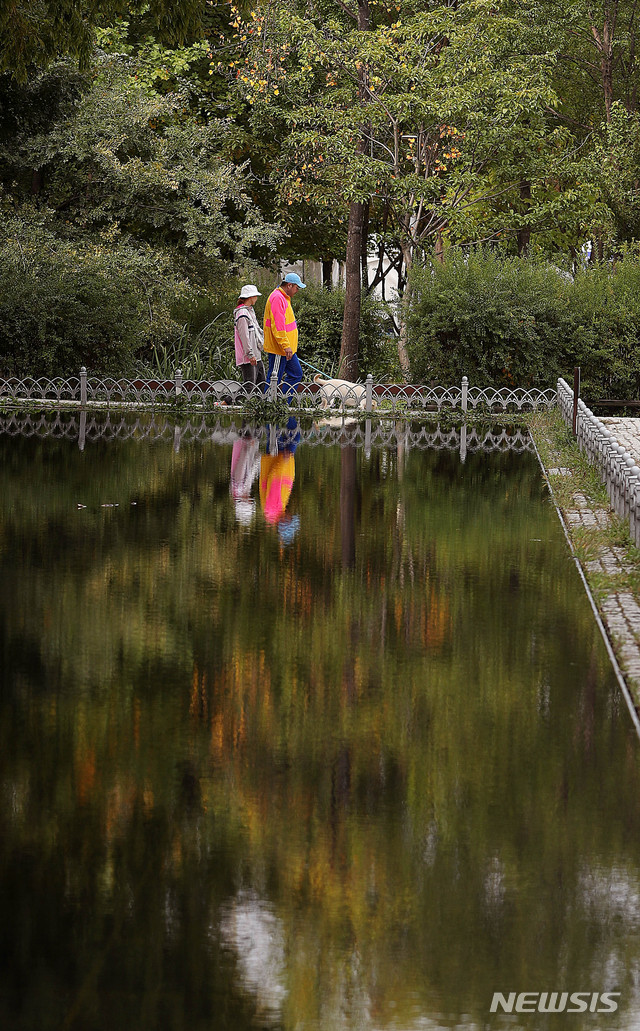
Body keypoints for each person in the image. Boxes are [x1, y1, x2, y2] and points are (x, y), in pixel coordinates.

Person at [263, 272, 306, 400]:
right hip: (280, 349)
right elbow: (278, 326)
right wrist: (285, 345)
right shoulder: (277, 298)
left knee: (296, 374)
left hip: (287, 349)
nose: (297, 291)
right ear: (289, 285)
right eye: (296, 288)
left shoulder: (283, 297)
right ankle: (267, 405)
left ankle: (282, 403)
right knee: (274, 377)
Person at [234, 284, 265, 392]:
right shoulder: (242, 314)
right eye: (255, 296)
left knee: (261, 382)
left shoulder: (249, 311)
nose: (256, 298)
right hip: (248, 356)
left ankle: (256, 406)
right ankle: (226, 402)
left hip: (255, 354)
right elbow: (244, 337)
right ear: (250, 297)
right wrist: (250, 354)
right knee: (249, 385)